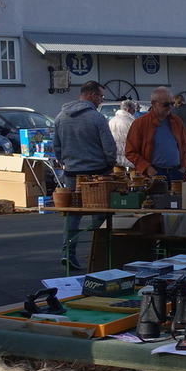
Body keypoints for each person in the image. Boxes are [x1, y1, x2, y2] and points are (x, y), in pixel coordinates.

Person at [53, 80, 115, 271]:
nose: (101, 101)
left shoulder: (60, 116)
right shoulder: (97, 118)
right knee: (101, 213)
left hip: (72, 172)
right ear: (92, 95)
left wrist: (65, 161)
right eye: (101, 97)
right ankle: (97, 252)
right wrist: (110, 164)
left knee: (72, 214)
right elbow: (109, 147)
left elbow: (56, 146)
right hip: (97, 172)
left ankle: (68, 253)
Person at [125, 87, 186, 181]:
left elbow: (185, 145)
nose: (170, 107)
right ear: (153, 104)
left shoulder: (177, 121)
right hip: (154, 173)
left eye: (172, 104)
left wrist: (184, 167)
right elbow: (130, 151)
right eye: (166, 104)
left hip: (176, 172)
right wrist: (147, 168)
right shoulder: (140, 123)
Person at [108, 99, 137, 168]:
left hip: (115, 158)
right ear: (128, 109)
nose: (134, 112)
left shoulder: (111, 120)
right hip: (129, 159)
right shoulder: (132, 122)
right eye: (133, 110)